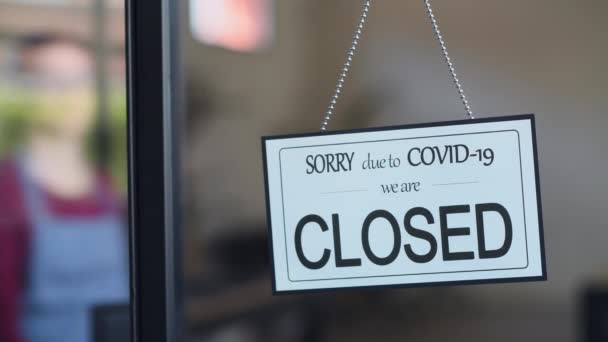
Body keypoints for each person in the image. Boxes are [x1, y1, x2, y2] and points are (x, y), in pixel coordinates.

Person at [0, 34, 129, 342]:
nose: (72, 93)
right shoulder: (7, 191)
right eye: (54, 80)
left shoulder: (105, 187)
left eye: (81, 80)